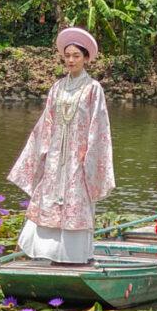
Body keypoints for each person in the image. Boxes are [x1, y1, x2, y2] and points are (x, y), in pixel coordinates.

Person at [7, 27, 114, 264]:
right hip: (57, 155)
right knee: (49, 196)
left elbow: (99, 127)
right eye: (67, 56)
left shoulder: (93, 89)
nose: (71, 60)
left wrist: (89, 156)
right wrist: (42, 152)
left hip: (79, 156)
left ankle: (75, 256)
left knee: (76, 199)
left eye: (76, 55)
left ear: (86, 58)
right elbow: (47, 123)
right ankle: (47, 252)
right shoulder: (57, 87)